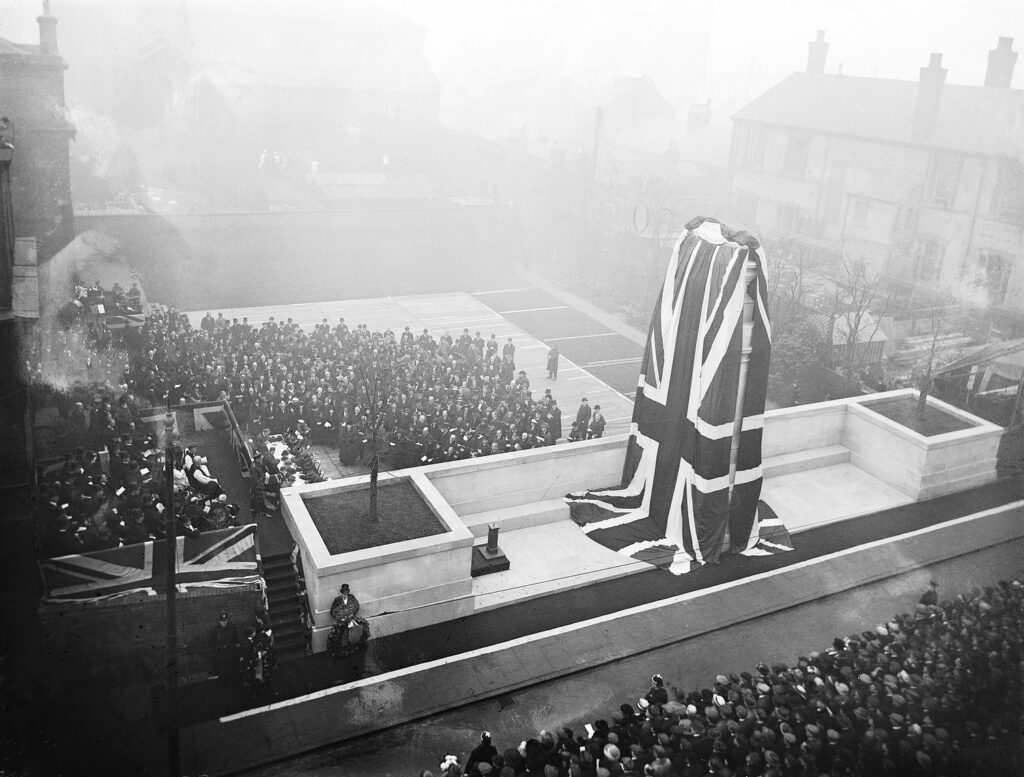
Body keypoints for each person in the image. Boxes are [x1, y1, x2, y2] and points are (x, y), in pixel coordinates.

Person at [327, 583, 364, 658]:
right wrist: (339, 618)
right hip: (341, 622)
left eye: (346, 592)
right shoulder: (337, 600)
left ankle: (353, 649)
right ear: (341, 592)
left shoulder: (352, 598)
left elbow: (356, 606)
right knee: (341, 635)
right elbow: (333, 611)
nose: (345, 594)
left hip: (350, 620)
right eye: (344, 592)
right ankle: (342, 650)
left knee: (353, 635)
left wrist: (351, 615)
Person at [211, 611, 239, 686]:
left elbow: (236, 636)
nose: (224, 623)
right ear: (219, 621)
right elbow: (213, 641)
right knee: (222, 668)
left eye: (226, 621)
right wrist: (216, 650)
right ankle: (223, 681)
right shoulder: (216, 629)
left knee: (231, 667)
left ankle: (231, 681)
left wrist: (237, 644)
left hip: (231, 652)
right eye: (223, 621)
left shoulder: (231, 627)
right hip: (221, 653)